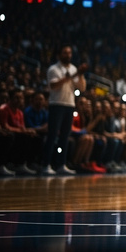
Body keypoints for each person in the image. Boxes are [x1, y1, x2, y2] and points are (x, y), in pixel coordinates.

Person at [40, 45, 85, 175]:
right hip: (56, 104)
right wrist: (73, 75)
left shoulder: (73, 69)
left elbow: (81, 88)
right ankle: (46, 164)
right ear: (59, 55)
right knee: (52, 135)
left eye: (69, 52)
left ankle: (61, 164)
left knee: (64, 137)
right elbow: (54, 85)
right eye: (65, 53)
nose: (68, 55)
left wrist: (80, 75)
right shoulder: (53, 69)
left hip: (69, 104)